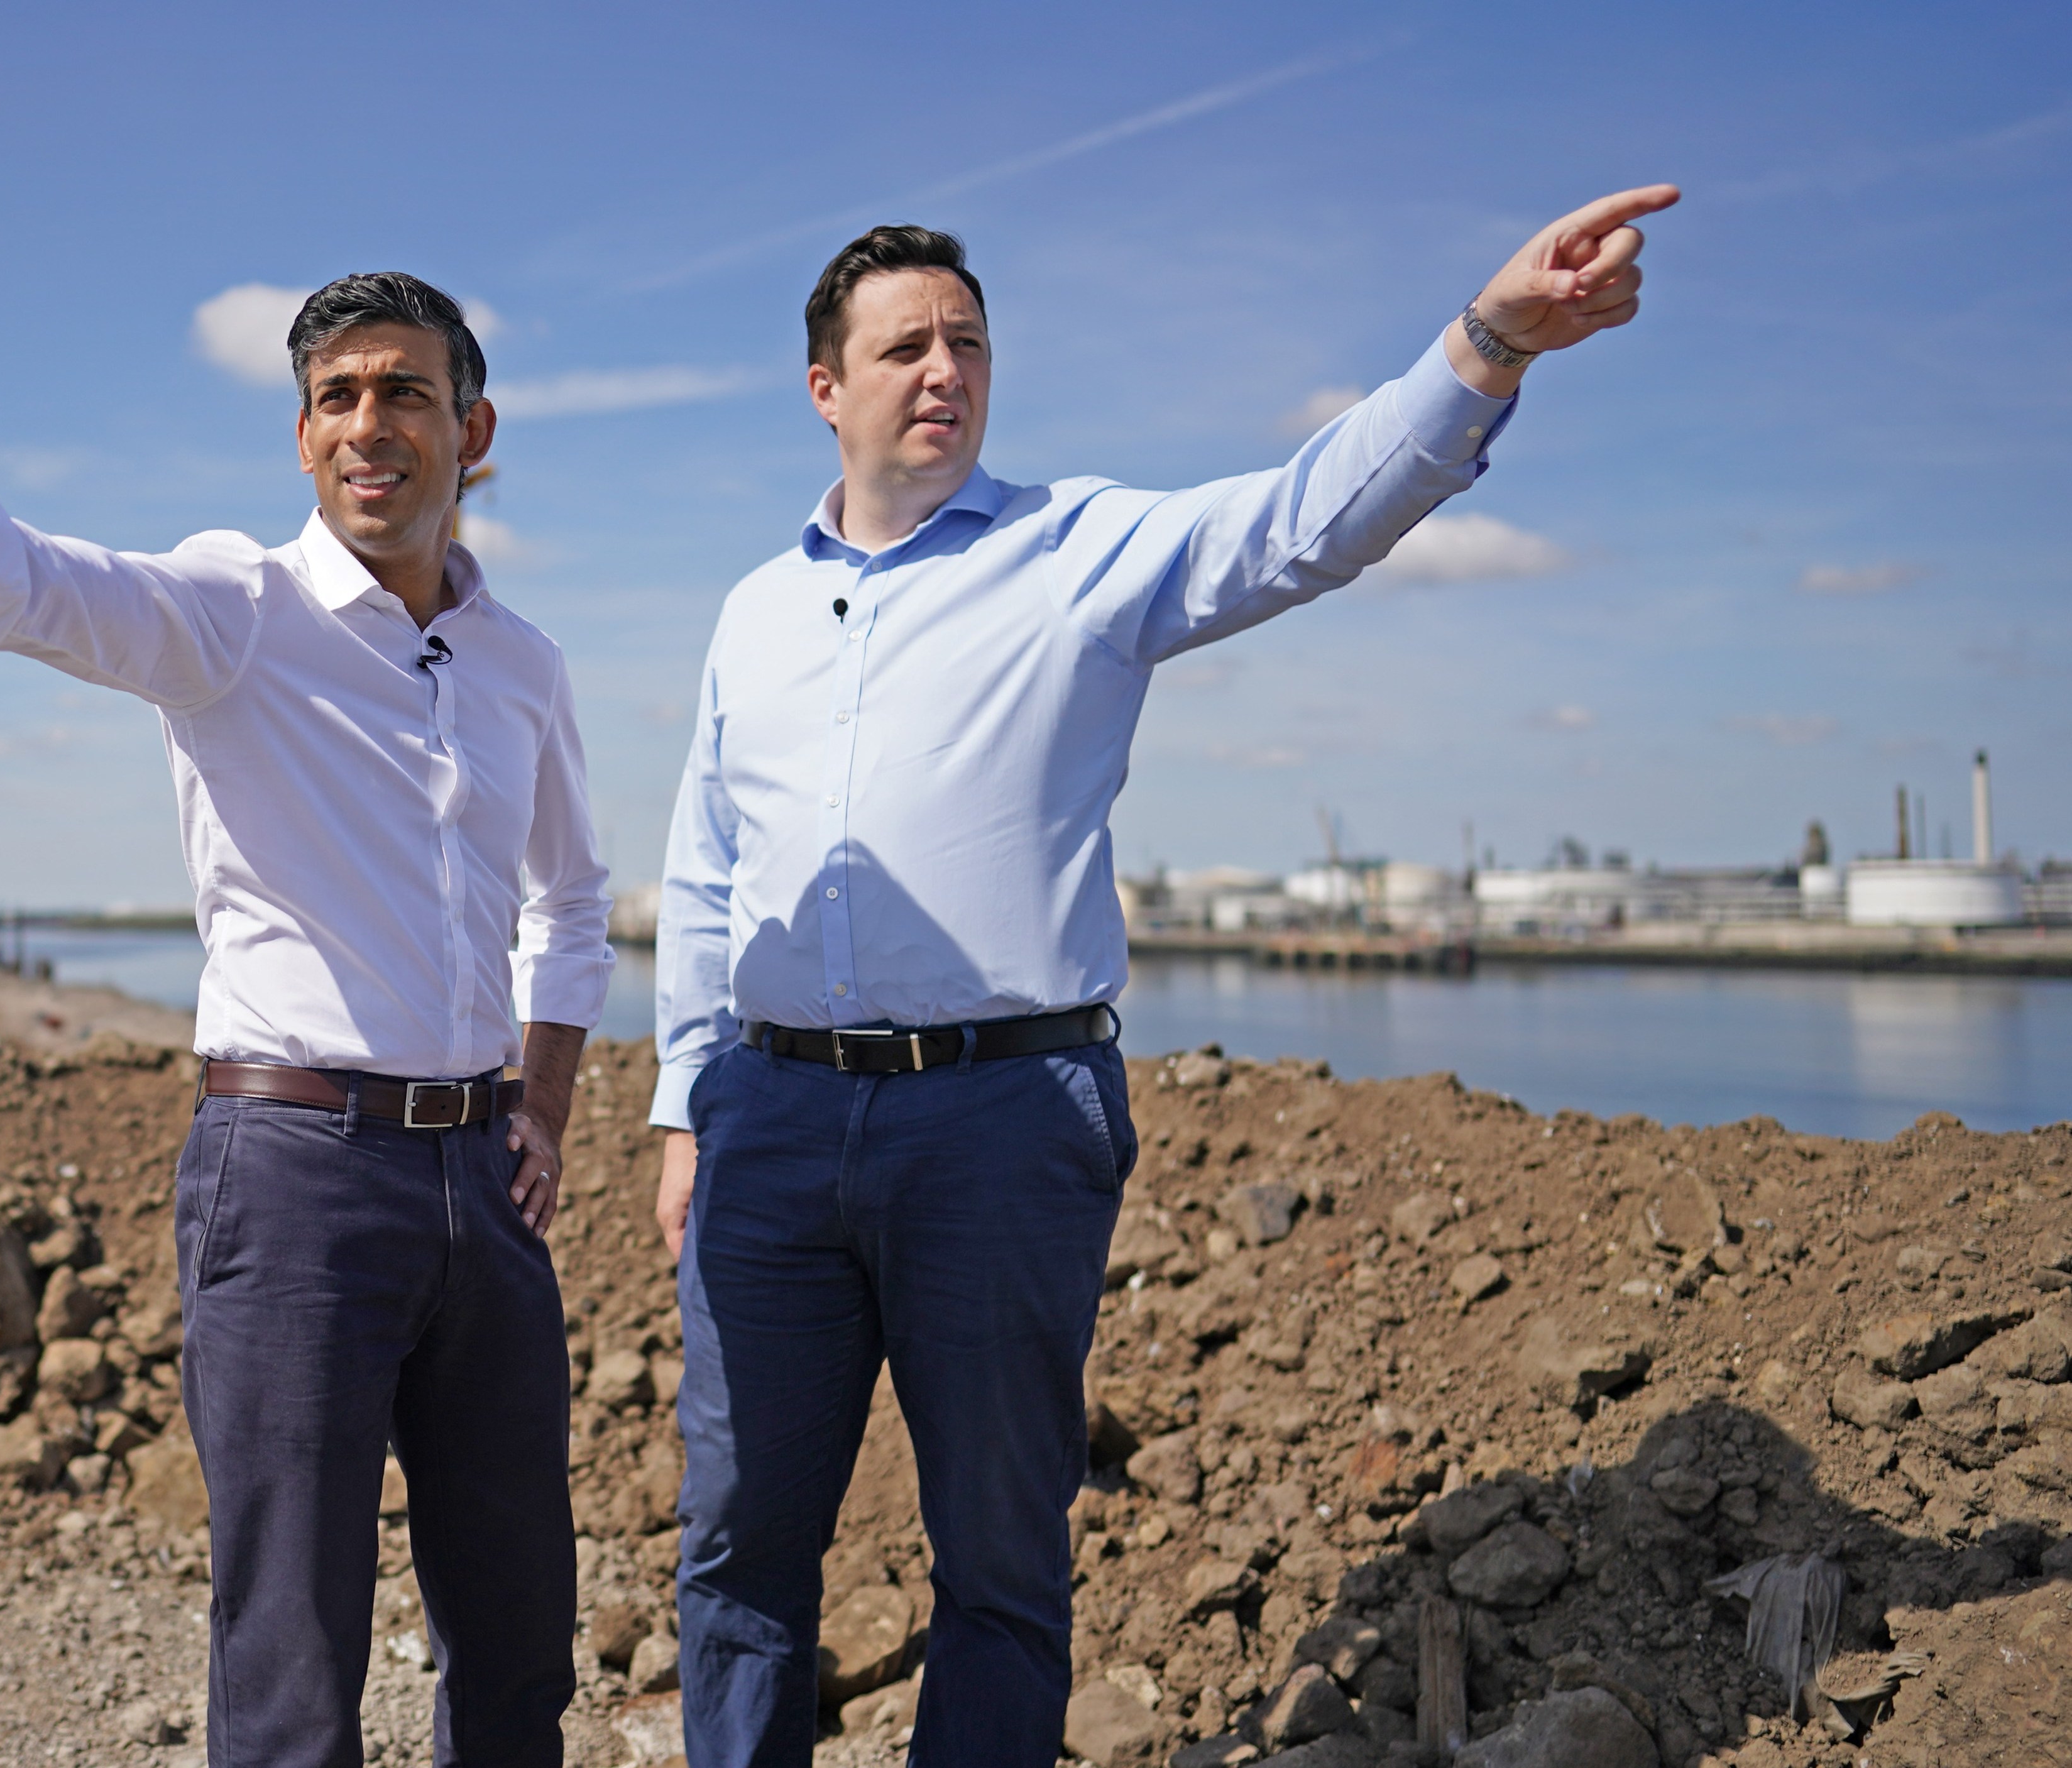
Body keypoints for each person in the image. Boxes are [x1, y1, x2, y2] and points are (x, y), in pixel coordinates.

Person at [647, 187, 1678, 1765]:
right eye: (906, 346)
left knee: (998, 1558)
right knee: (734, 1544)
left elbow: (1299, 521)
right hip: (769, 1123)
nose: (945, 370)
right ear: (825, 388)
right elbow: (707, 868)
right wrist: (678, 1101)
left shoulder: (1078, 550)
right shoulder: (755, 610)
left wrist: (1483, 348)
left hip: (995, 1122)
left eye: (969, 344)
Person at [0, 243, 611, 1768]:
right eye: (334, 397)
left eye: (405, 393)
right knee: (291, 1657)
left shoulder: (522, 667)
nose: (367, 425)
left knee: (520, 1638)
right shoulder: (235, 610)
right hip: (295, 1181)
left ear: (472, 432)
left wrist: (540, 1101)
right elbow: (5, 576)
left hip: (483, 1183)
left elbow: (569, 903)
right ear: (300, 436)